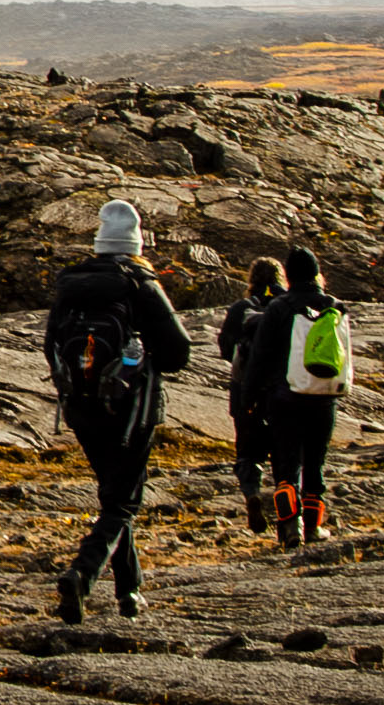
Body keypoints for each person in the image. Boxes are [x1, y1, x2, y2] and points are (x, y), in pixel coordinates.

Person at [42, 198, 193, 621]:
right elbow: (179, 352)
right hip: (131, 408)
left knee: (113, 492)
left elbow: (50, 345)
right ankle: (82, 573)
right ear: (136, 244)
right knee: (123, 501)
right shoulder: (141, 284)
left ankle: (129, 590)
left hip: (80, 406)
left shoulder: (71, 287)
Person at [257, 243, 344, 544]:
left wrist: (249, 398)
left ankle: (288, 528)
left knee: (286, 464)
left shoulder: (277, 308)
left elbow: (260, 355)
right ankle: (314, 527)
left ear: (289, 277)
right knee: (315, 463)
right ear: (317, 274)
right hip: (323, 396)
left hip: (284, 397)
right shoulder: (334, 306)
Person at [214, 255, 289, 531]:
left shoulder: (241, 308)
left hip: (245, 391)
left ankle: (252, 492)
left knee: (247, 452)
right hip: (284, 391)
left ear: (251, 278)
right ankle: (288, 513)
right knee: (285, 455)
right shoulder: (287, 307)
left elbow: (225, 349)